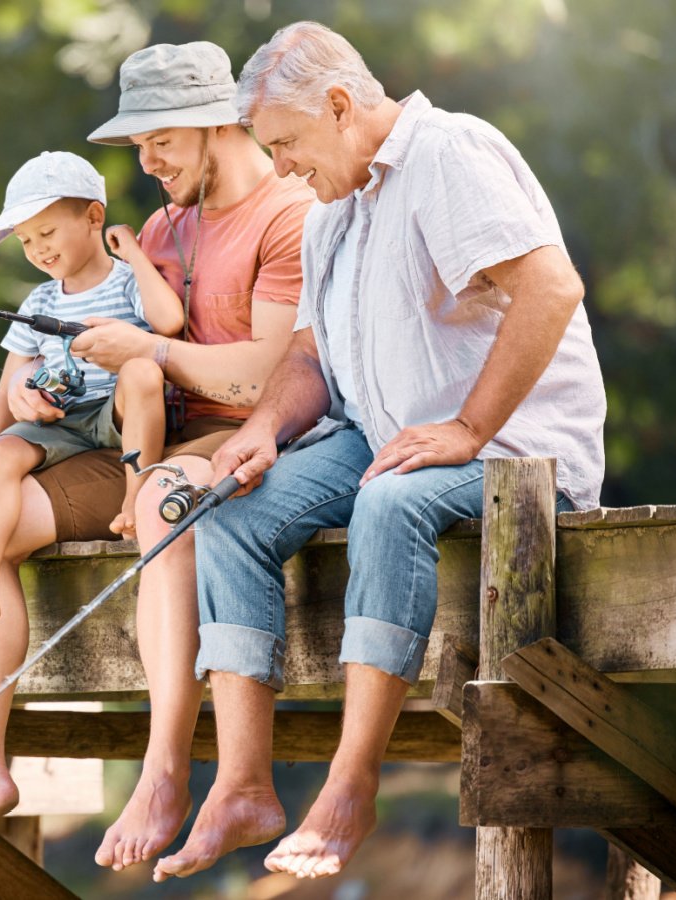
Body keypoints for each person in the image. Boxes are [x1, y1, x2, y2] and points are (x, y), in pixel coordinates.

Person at [151, 21, 606, 883]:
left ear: (338, 104)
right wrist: (259, 431)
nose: (279, 167)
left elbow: (551, 287)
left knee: (389, 502)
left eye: (285, 144)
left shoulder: (450, 153)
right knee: (231, 507)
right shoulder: (331, 210)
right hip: (383, 432)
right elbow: (311, 358)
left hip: (508, 445)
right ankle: (245, 785)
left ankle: (352, 786)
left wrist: (469, 429)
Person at [0, 41, 314, 868]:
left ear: (214, 122)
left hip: (243, 438)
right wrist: (37, 399)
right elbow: (92, 358)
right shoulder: (157, 226)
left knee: (159, 500)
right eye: (137, 148)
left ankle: (162, 776)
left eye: (157, 141)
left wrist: (143, 355)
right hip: (130, 437)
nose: (144, 163)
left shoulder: (288, 213)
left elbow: (268, 374)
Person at [0, 150, 184, 641]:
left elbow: (168, 322)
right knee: (0, 455)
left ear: (94, 217)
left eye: (47, 232)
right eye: (25, 241)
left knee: (144, 371)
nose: (38, 249)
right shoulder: (37, 301)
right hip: (61, 421)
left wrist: (136, 254)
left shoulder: (127, 281)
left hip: (115, 412)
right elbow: (4, 391)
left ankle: (133, 501)